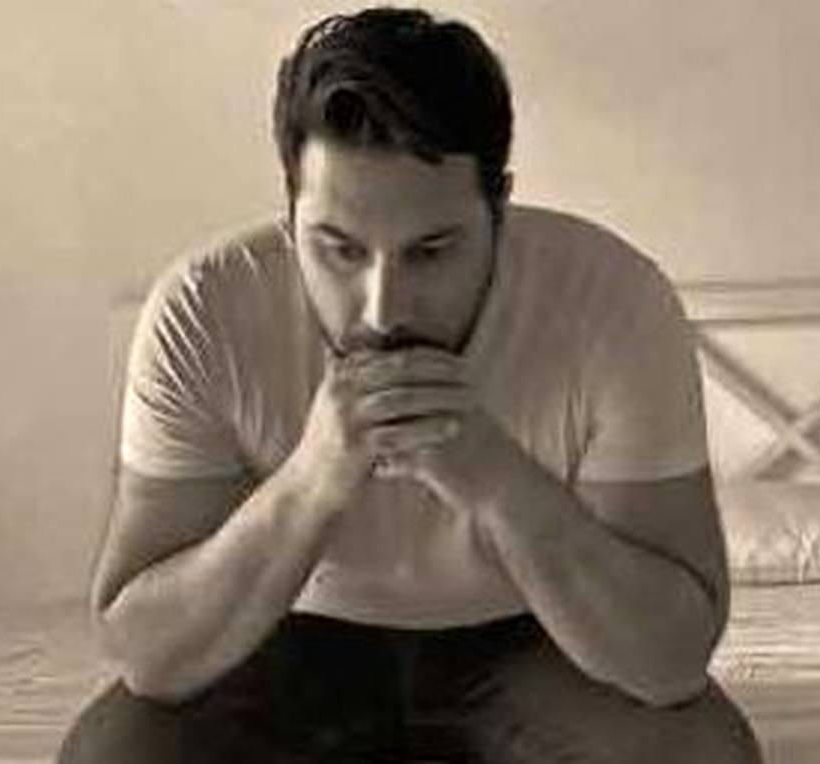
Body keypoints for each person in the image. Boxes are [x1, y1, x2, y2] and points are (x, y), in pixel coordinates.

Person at [59, 7, 762, 763]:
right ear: (290, 214)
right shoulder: (203, 309)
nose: (383, 309)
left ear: (499, 210)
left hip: (540, 640)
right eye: (338, 249)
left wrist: (498, 481)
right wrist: (311, 481)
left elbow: (669, 663)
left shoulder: (616, 301)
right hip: (282, 636)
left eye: (431, 251)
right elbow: (147, 656)